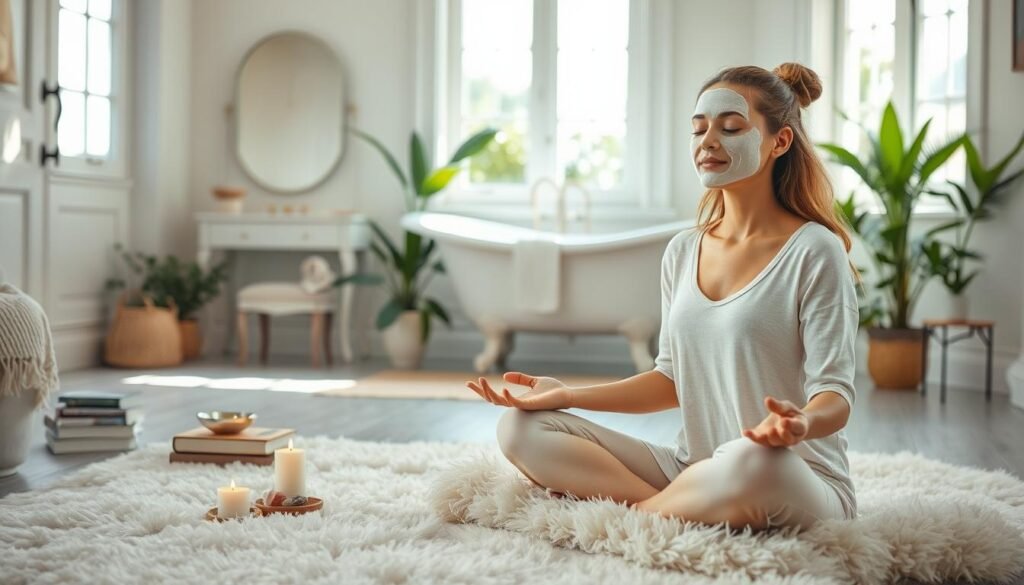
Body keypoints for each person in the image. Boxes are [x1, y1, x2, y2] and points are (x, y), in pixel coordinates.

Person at [465, 63, 859, 531]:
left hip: (790, 475)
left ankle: (642, 515)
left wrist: (801, 425)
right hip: (693, 468)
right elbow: (671, 379)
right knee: (521, 428)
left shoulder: (815, 250)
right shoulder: (682, 251)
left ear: (780, 142)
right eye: (699, 129)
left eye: (730, 127)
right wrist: (568, 394)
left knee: (754, 461)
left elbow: (835, 394)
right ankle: (679, 508)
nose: (708, 141)